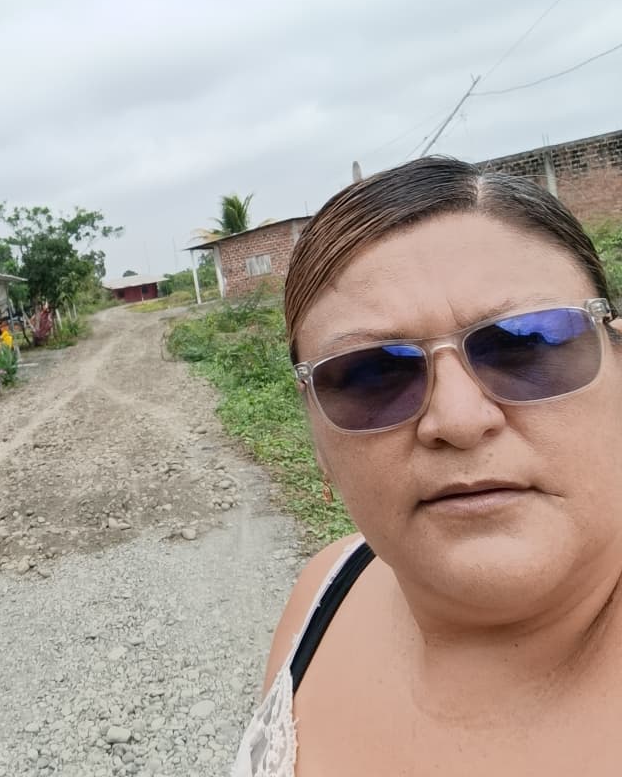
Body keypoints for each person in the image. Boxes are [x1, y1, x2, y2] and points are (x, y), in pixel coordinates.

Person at [232, 156, 622, 777]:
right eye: (373, 374)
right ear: (317, 438)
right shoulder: (323, 591)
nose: (459, 419)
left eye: (525, 344)